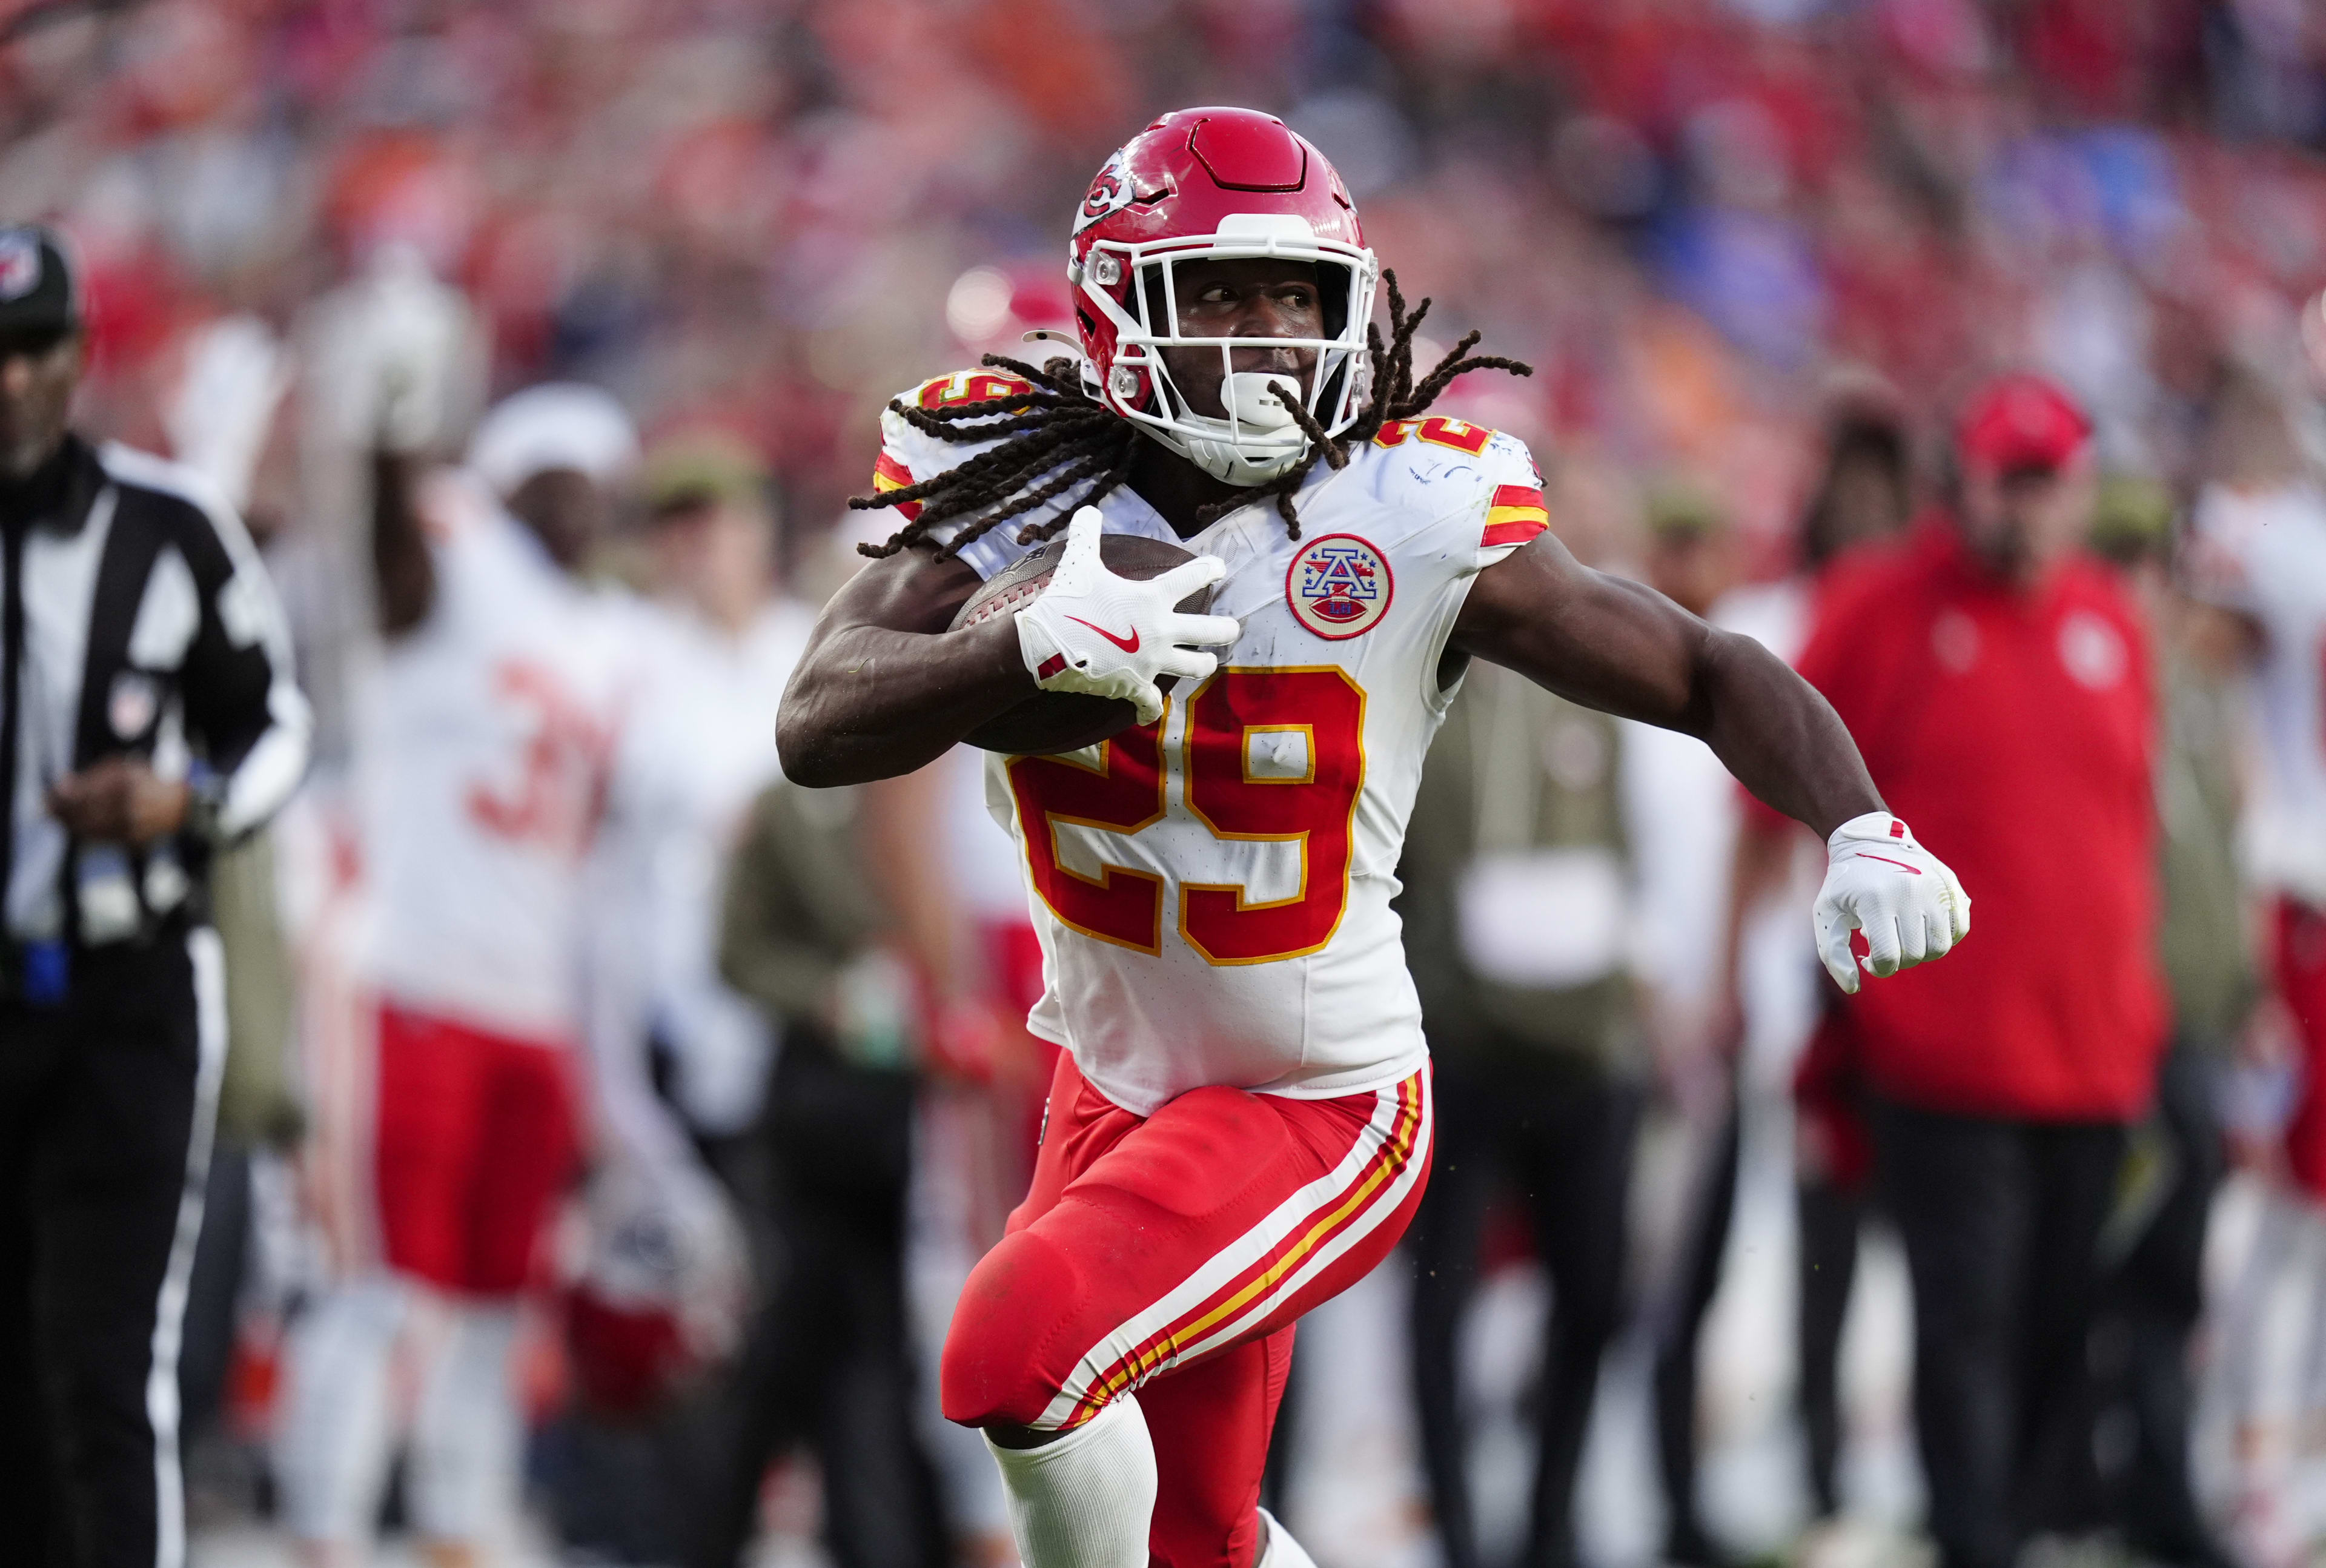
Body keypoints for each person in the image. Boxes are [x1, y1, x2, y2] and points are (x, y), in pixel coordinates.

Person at [774, 107, 1969, 1568]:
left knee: (1015, 1348)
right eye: (1218, 292)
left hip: (1318, 1094)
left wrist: (1861, 820)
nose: (1267, 333)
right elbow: (817, 719)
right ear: (1112, 305)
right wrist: (1018, 655)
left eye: (1299, 294)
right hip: (1112, 1081)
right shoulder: (1016, 483)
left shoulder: (1406, 505)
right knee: (1193, 1532)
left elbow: (1704, 667)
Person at [1785, 374, 2162, 1568]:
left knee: (2061, 1317)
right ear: (1971, 480)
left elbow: (2125, 825)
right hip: (1940, 1044)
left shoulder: (2111, 620)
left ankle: (2030, 1521)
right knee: (1967, 1319)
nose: (2034, 509)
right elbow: (1779, 771)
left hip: (2093, 1047)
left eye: (2056, 483)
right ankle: (1971, 1536)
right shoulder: (1883, 605)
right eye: (2016, 481)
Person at [271, 382, 646, 1567]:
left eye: (596, 485)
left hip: (532, 1001)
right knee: (385, 1285)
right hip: (414, 977)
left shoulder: (602, 636)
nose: (581, 505)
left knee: (492, 1298)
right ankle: (324, 1525)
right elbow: (386, 541)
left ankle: (457, 1522)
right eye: (558, 480)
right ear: (506, 483)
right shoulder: (454, 558)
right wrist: (385, 419)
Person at [0, 223, 313, 1568]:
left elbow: (276, 726)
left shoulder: (168, 527)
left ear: (77, 357)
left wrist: (181, 799)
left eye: (31, 352)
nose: (9, 383)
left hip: (127, 983)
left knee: (107, 1358)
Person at [1396, 655, 1648, 1568]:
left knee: (1594, 1296)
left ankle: (1549, 1526)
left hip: (1584, 1053)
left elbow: (1623, 852)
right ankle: (1456, 1533)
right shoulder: (1421, 684)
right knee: (1438, 1298)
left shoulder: (1596, 682)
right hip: (1460, 1046)